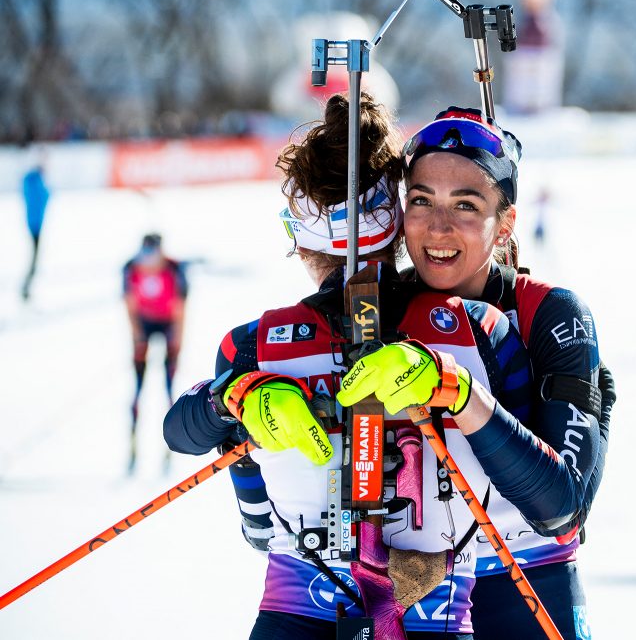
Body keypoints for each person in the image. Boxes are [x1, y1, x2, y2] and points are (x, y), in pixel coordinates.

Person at [162, 93, 576, 640]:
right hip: (440, 617)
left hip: (294, 615)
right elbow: (537, 505)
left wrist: (236, 396)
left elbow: (256, 523)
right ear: (398, 219)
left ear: (298, 238)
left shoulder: (252, 344)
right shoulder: (483, 328)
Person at [395, 107, 615, 640]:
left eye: (466, 206)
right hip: (419, 588)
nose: (437, 227)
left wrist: (461, 395)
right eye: (421, 200)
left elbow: (560, 508)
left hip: (528, 582)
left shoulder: (551, 314)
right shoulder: (378, 304)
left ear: (506, 223)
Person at [123, 232, 187, 473]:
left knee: (169, 388)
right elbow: (129, 304)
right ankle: (132, 447)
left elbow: (181, 309)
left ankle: (169, 449)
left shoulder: (174, 269)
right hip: (145, 323)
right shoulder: (132, 268)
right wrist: (137, 337)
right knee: (138, 389)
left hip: (168, 324)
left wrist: (177, 342)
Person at [21, 147, 51, 301]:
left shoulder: (34, 179)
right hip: (35, 223)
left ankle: (27, 287)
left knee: (35, 258)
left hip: (36, 222)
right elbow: (43, 197)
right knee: (34, 258)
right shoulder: (34, 179)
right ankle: (25, 288)